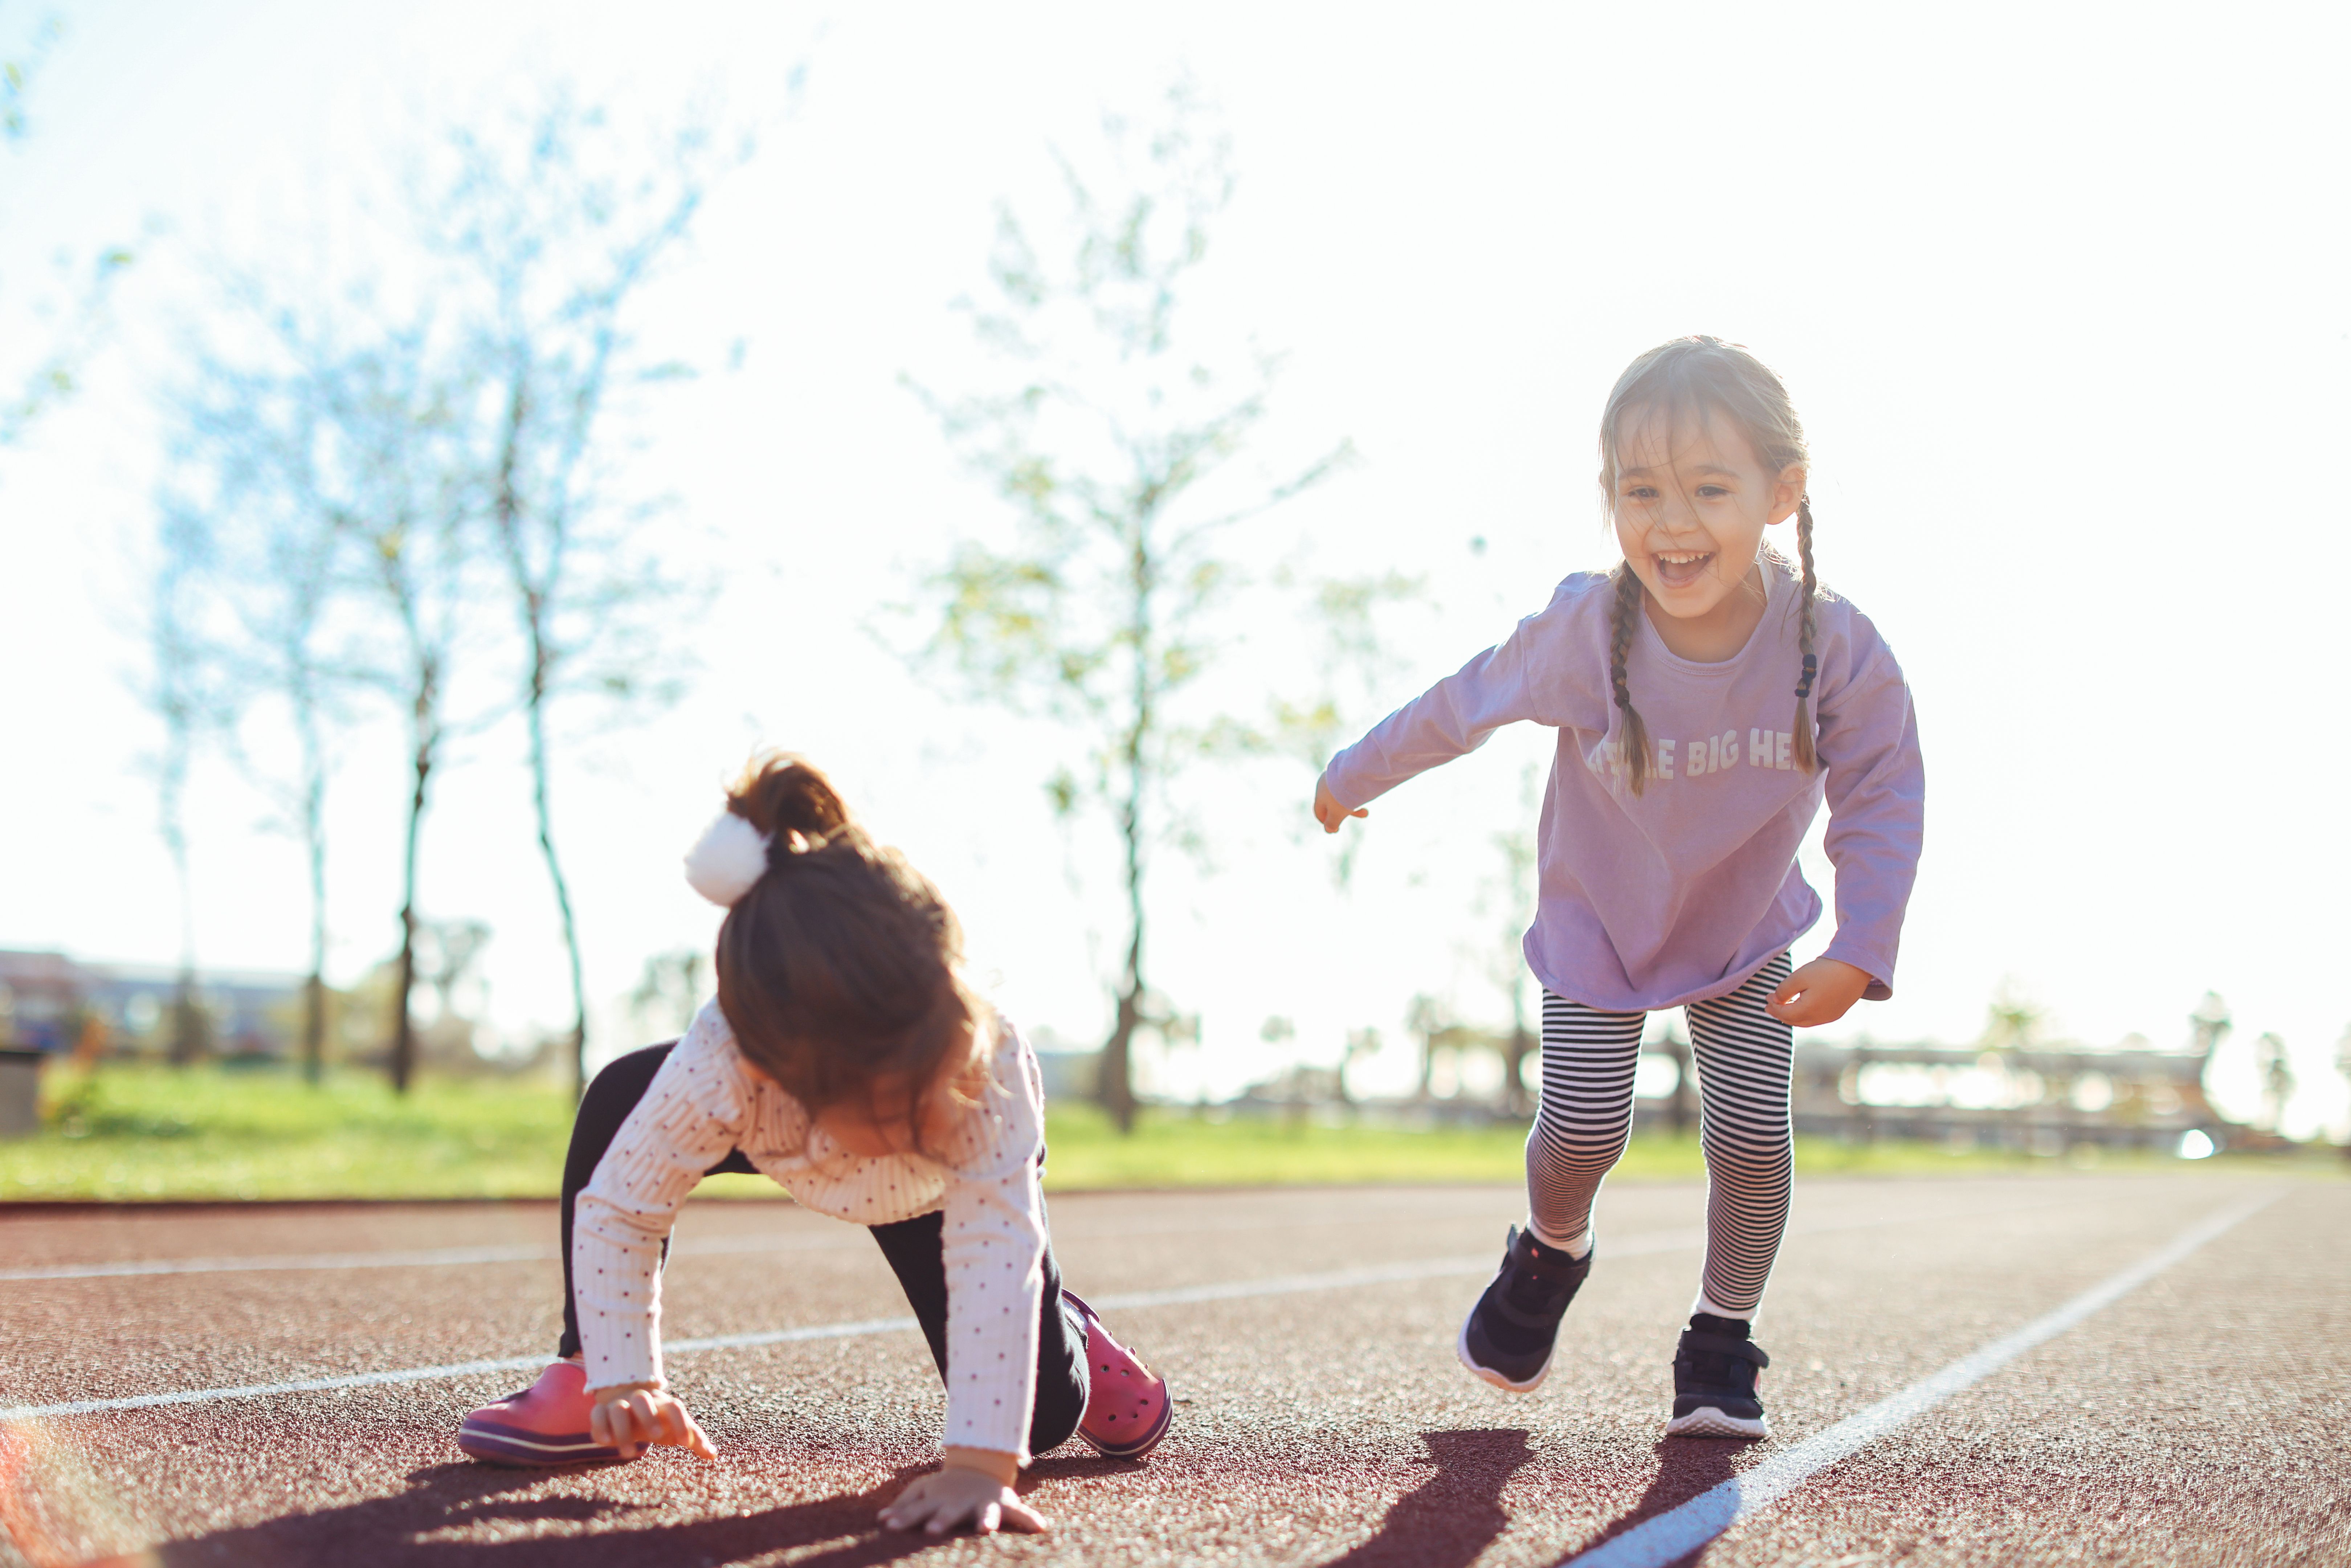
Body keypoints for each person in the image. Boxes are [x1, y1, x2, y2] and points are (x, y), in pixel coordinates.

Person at [1313, 336, 1923, 1439]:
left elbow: (1881, 788)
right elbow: (1465, 701)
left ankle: (1720, 1340)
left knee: (1748, 1137)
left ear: (1780, 495)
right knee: (1585, 1129)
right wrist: (1354, 773)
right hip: (1597, 923)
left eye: (1707, 489)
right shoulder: (1590, 631)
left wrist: (1860, 945)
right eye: (1640, 491)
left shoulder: (1831, 645)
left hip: (1740, 935)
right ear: (1609, 499)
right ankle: (1549, 1251)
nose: (1671, 522)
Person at [456, 753, 1173, 1535]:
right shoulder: (723, 1067)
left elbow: (993, 1259)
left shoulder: (983, 1072)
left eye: (924, 1070)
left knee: (1034, 1425)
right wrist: (623, 1371)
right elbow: (622, 1213)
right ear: (778, 1077)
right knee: (626, 1090)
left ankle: (1066, 1327)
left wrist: (978, 1466)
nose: (915, 1107)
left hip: (931, 1192)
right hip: (784, 1133)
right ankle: (583, 1367)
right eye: (891, 1096)